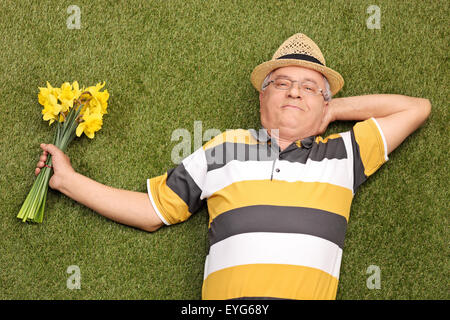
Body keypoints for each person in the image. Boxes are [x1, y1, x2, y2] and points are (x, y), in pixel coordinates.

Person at [35, 33, 431, 300]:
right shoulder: (224, 148)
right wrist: (68, 181)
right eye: (281, 83)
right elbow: (150, 211)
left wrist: (331, 110)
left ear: (324, 104)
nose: (294, 90)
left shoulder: (345, 154)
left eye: (309, 87)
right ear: (262, 101)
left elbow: (416, 108)